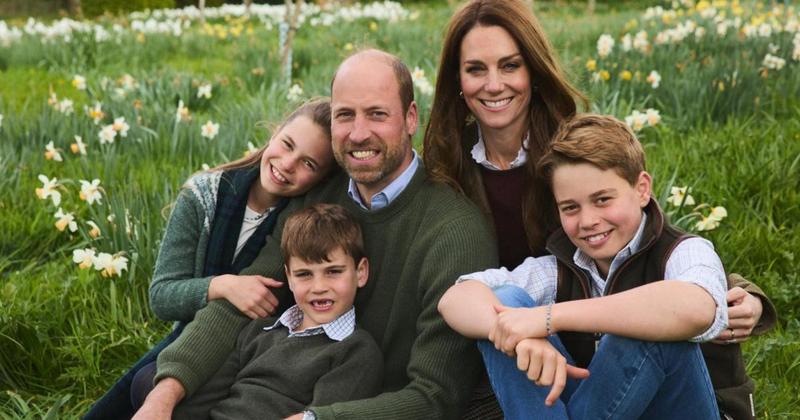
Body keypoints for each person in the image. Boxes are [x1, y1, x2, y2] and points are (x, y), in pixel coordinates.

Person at [422, 1, 775, 416]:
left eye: (510, 65)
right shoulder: (446, 169)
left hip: (621, 366)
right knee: (508, 303)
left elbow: (660, 250)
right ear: (457, 81)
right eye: (476, 69)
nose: (494, 84)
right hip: (543, 365)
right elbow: (461, 295)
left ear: (532, 71)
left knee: (640, 317)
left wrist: (549, 319)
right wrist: (517, 329)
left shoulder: (573, 152)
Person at [131, 49, 498, 420]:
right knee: (153, 384)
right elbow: (245, 300)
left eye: (377, 114)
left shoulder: (455, 231)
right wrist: (165, 393)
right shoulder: (320, 195)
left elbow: (436, 396)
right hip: (280, 388)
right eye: (345, 115)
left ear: (410, 118)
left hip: (371, 410)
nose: (358, 133)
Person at [440, 114, 730, 419]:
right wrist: (520, 336)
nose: (588, 220)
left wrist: (548, 319)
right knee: (506, 304)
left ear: (642, 189)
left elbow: (697, 308)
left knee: (646, 323)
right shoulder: (560, 268)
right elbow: (455, 298)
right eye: (571, 208)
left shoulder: (682, 251)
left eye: (603, 200)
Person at [84, 98, 336, 419]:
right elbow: (162, 296)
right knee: (144, 388)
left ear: (320, 179)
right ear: (275, 133)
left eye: (308, 164)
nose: (287, 164)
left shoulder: (301, 220)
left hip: (257, 348)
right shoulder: (203, 196)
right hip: (195, 338)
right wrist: (222, 286)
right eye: (287, 145)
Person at [135, 204, 383, 419]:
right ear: (289, 277)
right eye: (304, 274)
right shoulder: (259, 330)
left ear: (360, 272)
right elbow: (205, 398)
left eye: (333, 272)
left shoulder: (355, 351)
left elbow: (321, 415)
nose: (319, 287)